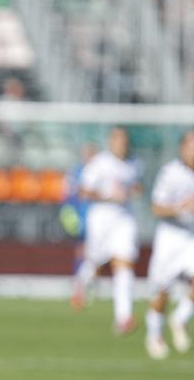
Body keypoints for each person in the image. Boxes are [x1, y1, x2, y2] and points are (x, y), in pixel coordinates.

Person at [71, 127, 142, 334]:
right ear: (111, 142)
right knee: (97, 261)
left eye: (125, 141)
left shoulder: (134, 163)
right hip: (101, 218)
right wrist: (108, 195)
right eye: (118, 140)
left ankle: (123, 317)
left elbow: (137, 187)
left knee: (124, 263)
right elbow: (83, 191)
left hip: (123, 219)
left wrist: (133, 191)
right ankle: (82, 282)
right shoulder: (99, 163)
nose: (122, 145)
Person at [143, 131, 194, 360]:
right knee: (162, 290)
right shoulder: (171, 173)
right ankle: (154, 333)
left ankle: (181, 318)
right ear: (183, 148)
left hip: (191, 236)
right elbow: (156, 207)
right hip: (171, 236)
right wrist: (180, 208)